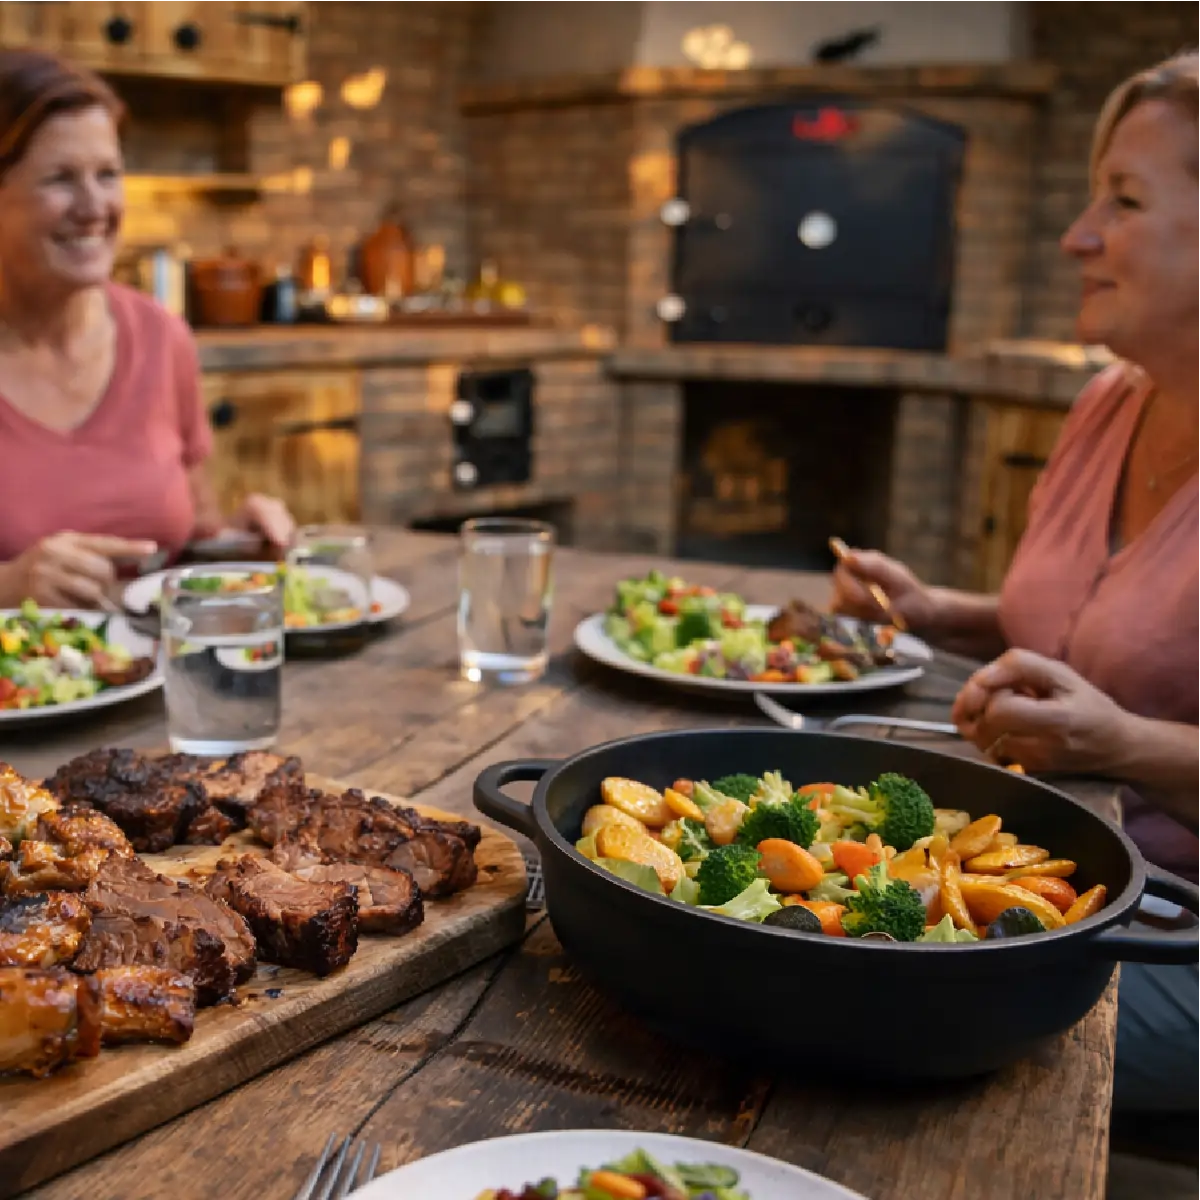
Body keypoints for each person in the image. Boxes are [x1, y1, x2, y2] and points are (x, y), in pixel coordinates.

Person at [834, 52, 1200, 1114]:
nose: (1076, 234)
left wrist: (1123, 746)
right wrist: (938, 612)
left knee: (845, 1015)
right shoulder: (1105, 406)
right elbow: (1105, 633)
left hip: (1177, 932)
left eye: (1122, 202)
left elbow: (1126, 693)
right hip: (1038, 883)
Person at [0, 49, 293, 610]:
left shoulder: (162, 338)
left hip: (165, 686)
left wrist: (240, 544)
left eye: (108, 174)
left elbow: (190, 537)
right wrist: (9, 588)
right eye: (60, 179)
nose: (95, 207)